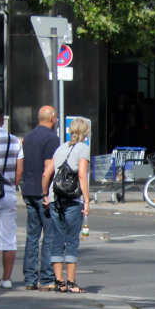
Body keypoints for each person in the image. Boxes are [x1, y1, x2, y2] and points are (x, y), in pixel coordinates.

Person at [41, 116, 91, 293]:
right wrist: (86, 199)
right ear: (86, 132)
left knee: (57, 238)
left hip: (55, 198)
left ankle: (59, 282)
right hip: (72, 199)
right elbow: (82, 175)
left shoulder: (61, 148)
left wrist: (45, 194)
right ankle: (71, 283)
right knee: (71, 240)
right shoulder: (83, 148)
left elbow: (47, 173)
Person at [19, 105, 59, 290]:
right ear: (52, 118)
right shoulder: (51, 138)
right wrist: (46, 194)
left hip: (28, 189)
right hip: (43, 192)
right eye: (56, 117)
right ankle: (46, 279)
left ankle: (29, 279)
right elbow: (48, 168)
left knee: (32, 237)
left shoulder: (29, 137)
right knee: (49, 236)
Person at [0, 105, 24, 289]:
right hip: (9, 192)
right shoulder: (15, 141)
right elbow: (20, 169)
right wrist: (13, 184)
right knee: (8, 237)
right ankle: (7, 279)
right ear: (2, 121)